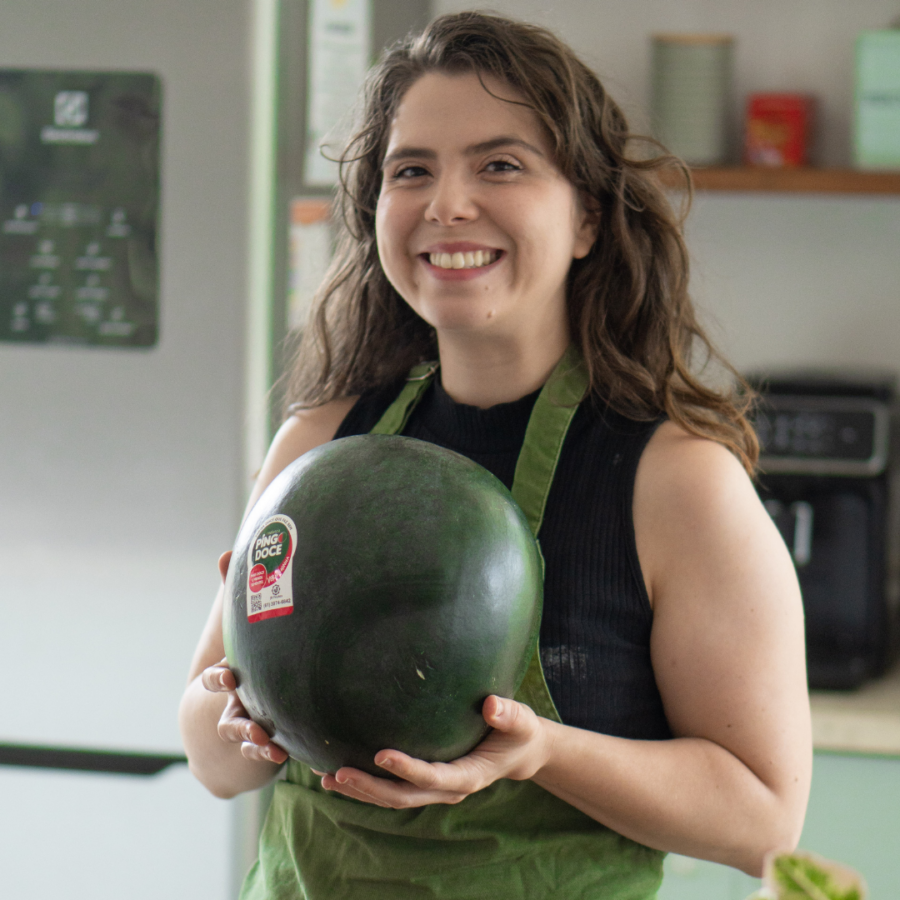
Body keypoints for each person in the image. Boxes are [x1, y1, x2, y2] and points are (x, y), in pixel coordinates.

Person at [179, 12, 811, 899]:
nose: (447, 204)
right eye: (412, 171)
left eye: (500, 165)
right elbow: (212, 757)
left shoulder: (676, 481)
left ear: (587, 217)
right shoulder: (318, 443)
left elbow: (764, 819)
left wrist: (543, 753)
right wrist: (245, 710)